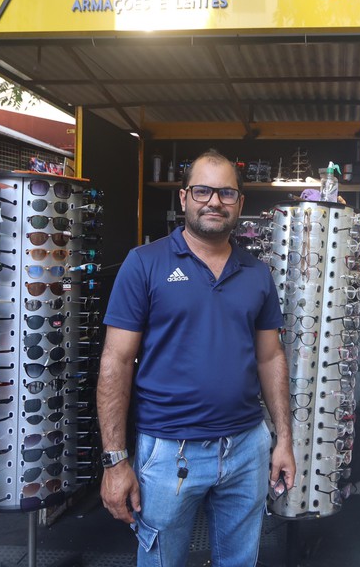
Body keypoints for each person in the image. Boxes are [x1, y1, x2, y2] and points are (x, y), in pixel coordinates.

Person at [97, 149, 295, 566]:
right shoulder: (144, 264)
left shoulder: (256, 273)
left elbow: (270, 358)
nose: (214, 201)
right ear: (184, 197)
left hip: (246, 448)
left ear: (239, 203)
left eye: (226, 192)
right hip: (169, 450)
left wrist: (283, 440)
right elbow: (116, 362)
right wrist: (115, 461)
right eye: (203, 190)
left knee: (240, 561)